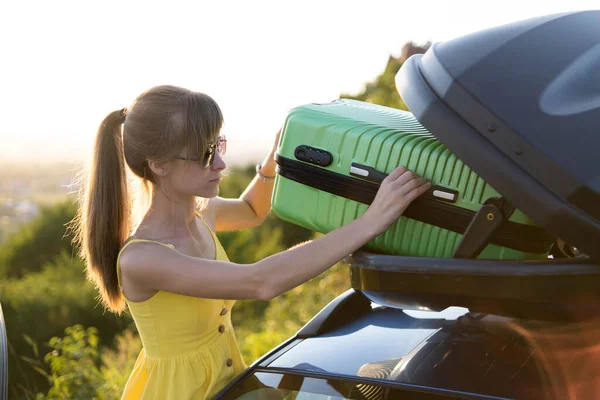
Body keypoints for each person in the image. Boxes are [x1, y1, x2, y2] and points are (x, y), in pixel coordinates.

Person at [73, 85, 431, 400]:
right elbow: (261, 282)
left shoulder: (203, 213)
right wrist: (371, 221)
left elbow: (251, 209)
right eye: (204, 153)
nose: (221, 162)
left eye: (218, 145)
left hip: (230, 386)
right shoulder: (143, 259)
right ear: (158, 165)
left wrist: (278, 153)